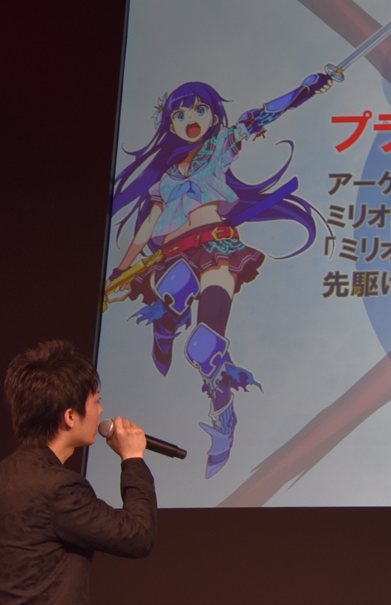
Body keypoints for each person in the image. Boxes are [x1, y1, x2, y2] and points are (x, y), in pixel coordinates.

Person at [107, 77, 327, 477]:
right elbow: (148, 227)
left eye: (199, 109)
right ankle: (168, 322)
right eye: (179, 114)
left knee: (204, 346)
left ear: (212, 115)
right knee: (175, 283)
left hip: (216, 246)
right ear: (171, 125)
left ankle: (223, 415)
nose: (190, 118)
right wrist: (121, 270)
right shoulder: (165, 179)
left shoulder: (221, 145)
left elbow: (263, 115)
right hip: (174, 254)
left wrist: (306, 89)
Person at [0, 341, 157, 604]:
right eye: (96, 401)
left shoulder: (0, 475)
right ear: (70, 416)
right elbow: (138, 535)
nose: (100, 411)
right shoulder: (59, 488)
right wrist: (132, 458)